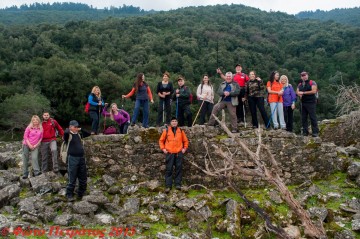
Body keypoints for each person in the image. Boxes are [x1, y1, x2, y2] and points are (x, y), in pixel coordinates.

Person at [159, 117, 189, 192]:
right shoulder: (166, 130)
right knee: (169, 169)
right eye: (173, 121)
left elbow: (185, 141)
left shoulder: (181, 131)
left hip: (179, 153)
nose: (174, 122)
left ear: (177, 122)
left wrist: (184, 149)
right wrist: (163, 149)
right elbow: (161, 141)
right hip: (170, 153)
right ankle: (168, 186)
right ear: (170, 123)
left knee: (178, 169)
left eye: (175, 121)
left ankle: (178, 184)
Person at [64, 120, 91, 201]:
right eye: (74, 127)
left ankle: (81, 193)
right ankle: (69, 194)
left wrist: (80, 129)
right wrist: (69, 129)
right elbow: (65, 133)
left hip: (81, 158)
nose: (76, 128)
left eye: (77, 126)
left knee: (83, 177)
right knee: (72, 177)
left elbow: (88, 134)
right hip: (72, 158)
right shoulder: (68, 135)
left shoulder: (79, 135)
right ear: (70, 127)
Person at [296, 71, 319, 137]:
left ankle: (315, 132)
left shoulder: (312, 82)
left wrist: (303, 93)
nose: (304, 76)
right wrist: (299, 94)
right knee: (304, 118)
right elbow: (297, 91)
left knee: (312, 117)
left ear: (307, 75)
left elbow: (314, 91)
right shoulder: (300, 84)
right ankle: (305, 132)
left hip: (311, 102)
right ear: (301, 77)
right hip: (303, 103)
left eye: (305, 75)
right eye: (302, 75)